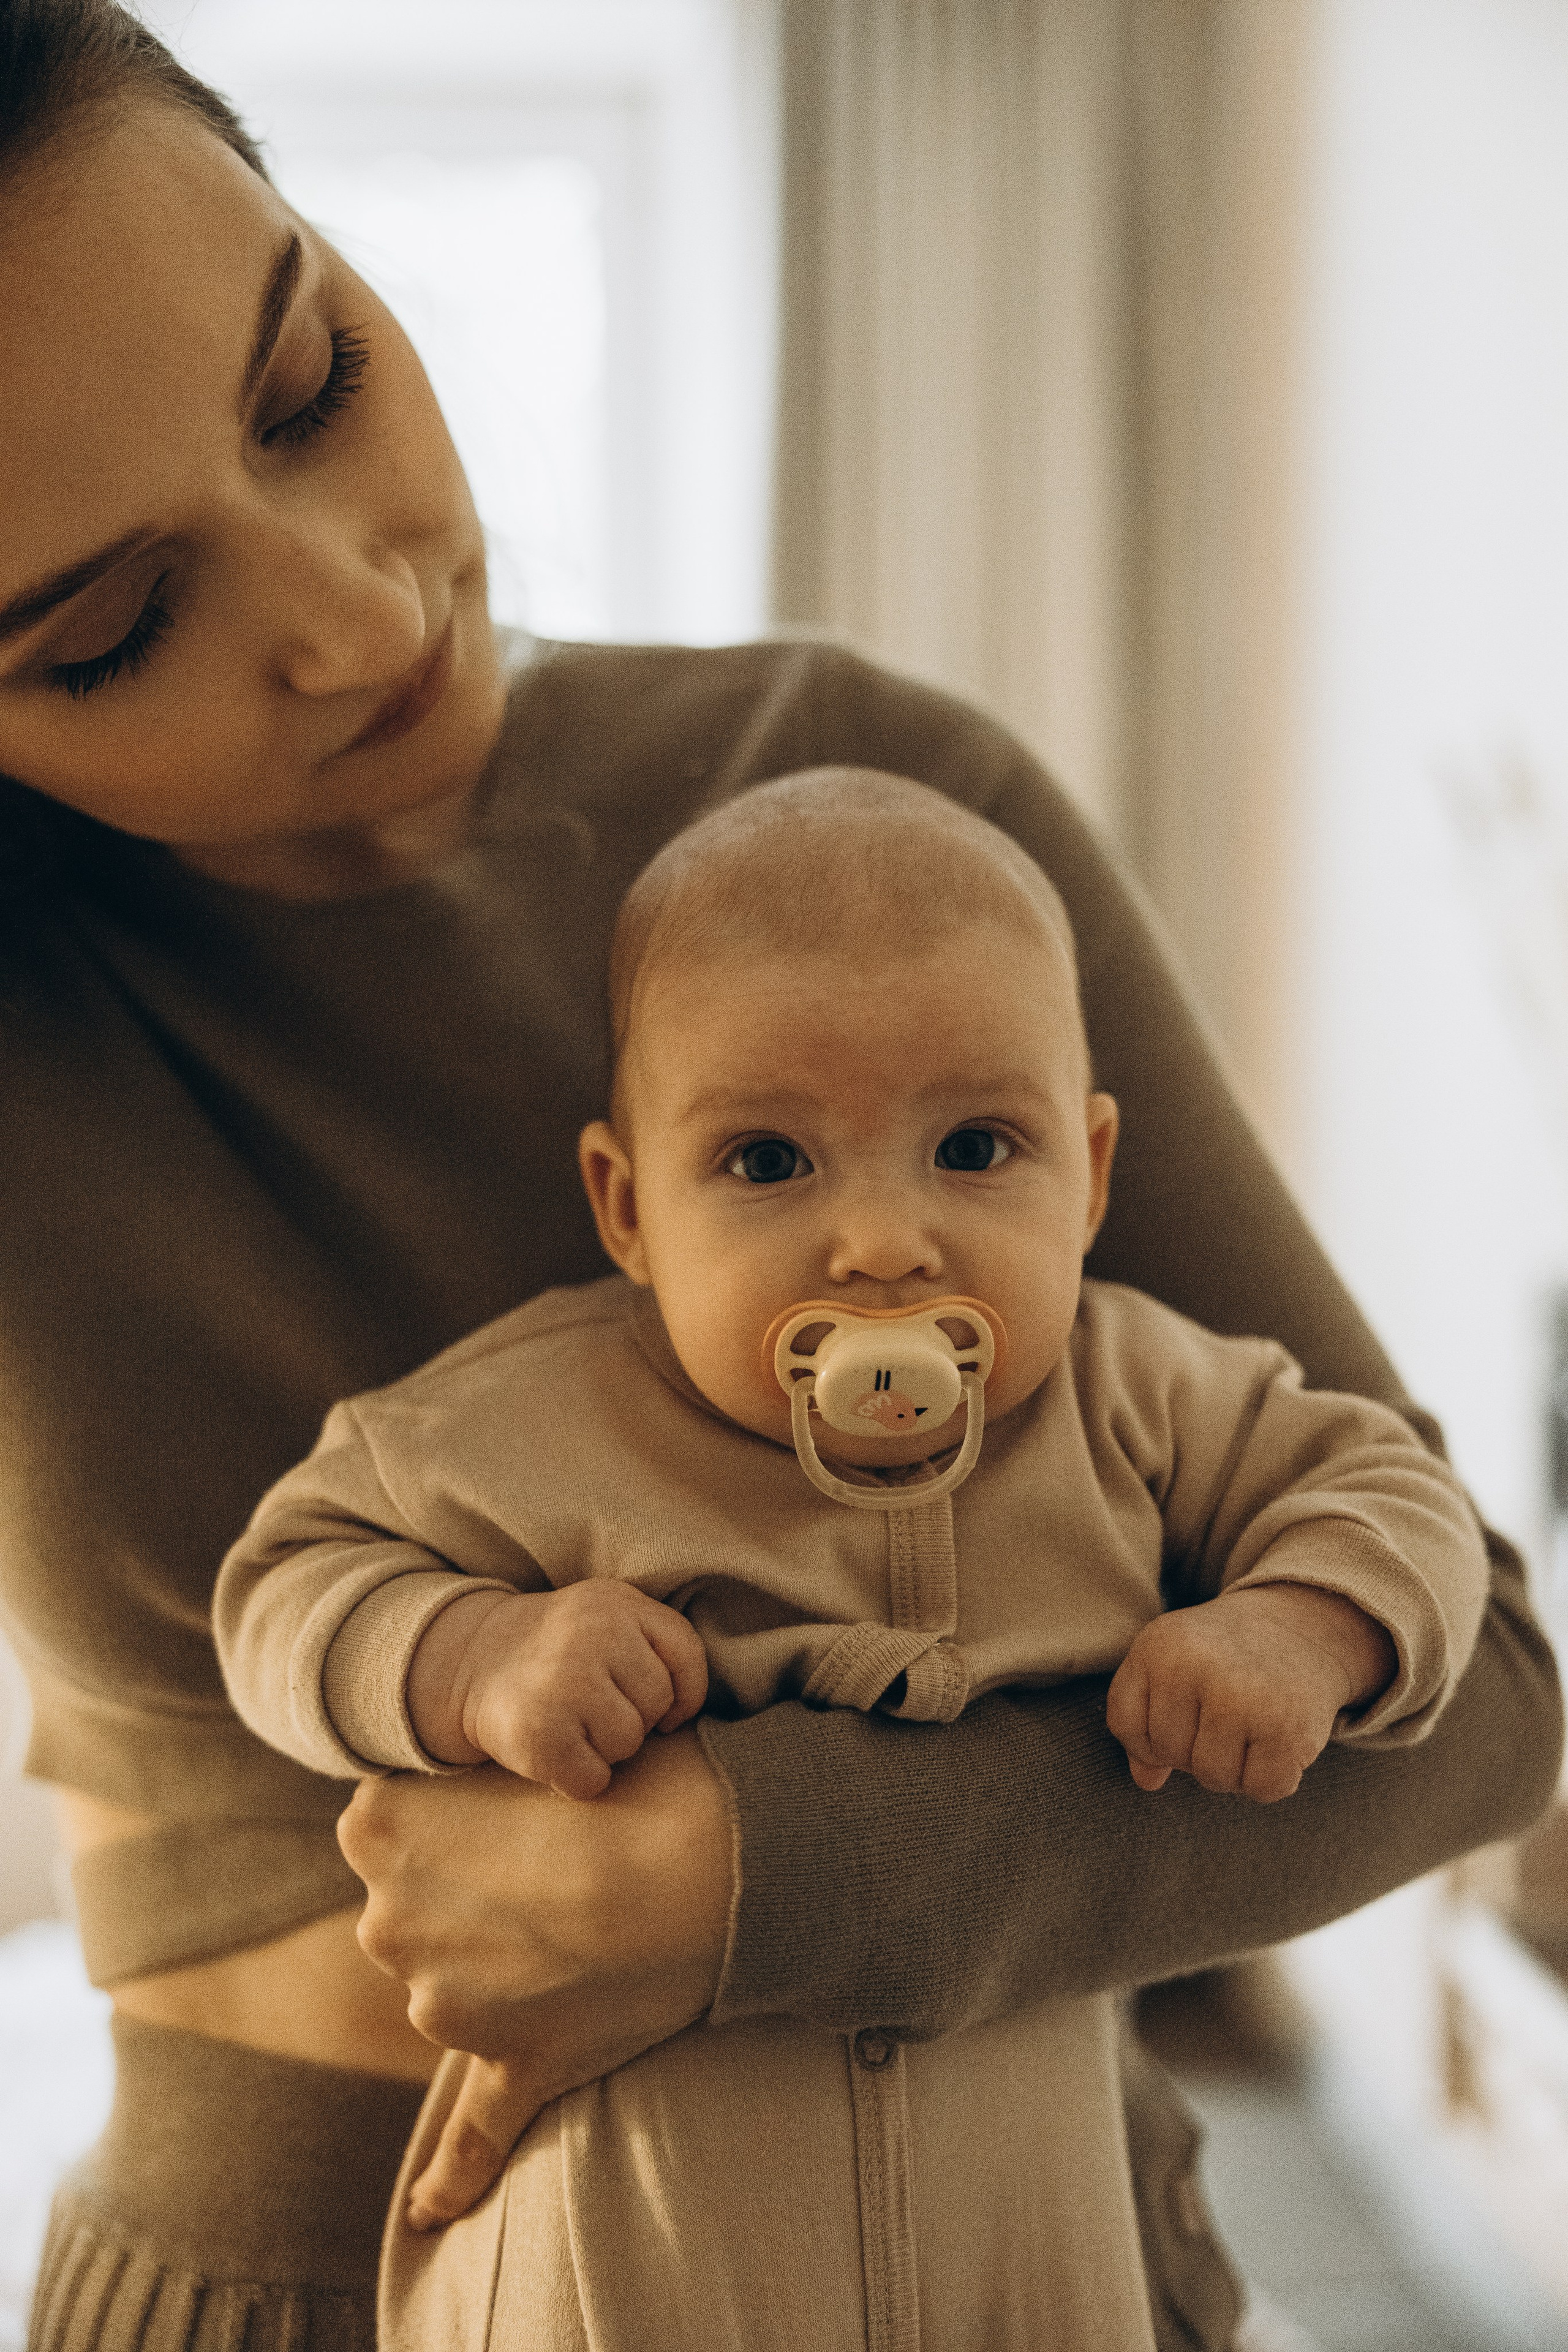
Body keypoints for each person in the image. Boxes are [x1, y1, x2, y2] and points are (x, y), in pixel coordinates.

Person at [0, 7, 1558, 2351]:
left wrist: (775, 1879)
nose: (352, 608)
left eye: (311, 380)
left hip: (1014, 2264)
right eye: (110, 634)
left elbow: (1487, 1697)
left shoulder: (864, 808)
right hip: (277, 2285)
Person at [216, 773, 1491, 2352]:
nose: (884, 1243)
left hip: (1033, 2246)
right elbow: (283, 1587)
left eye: (974, 1147)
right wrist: (474, 1657)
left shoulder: (1139, 1392)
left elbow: (1397, 1494)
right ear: (627, 1207)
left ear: (1090, 1178)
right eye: (766, 1163)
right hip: (642, 2268)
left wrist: (1303, 1627)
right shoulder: (528, 1417)